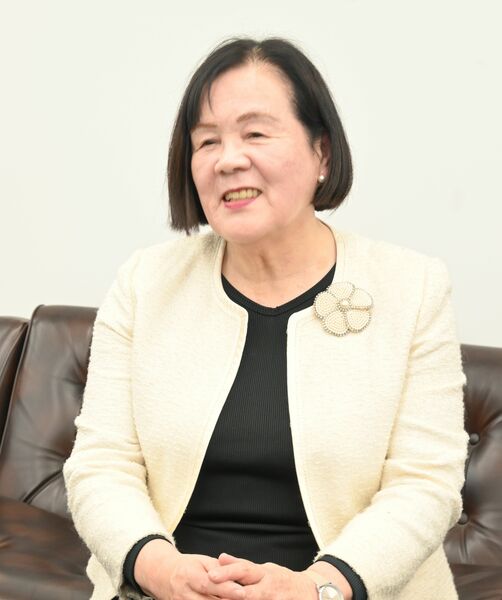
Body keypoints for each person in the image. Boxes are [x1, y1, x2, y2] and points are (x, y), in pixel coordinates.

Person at [63, 37, 468, 600]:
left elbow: (426, 484)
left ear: (323, 153)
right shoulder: (144, 282)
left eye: (255, 134)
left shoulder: (413, 287)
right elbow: (100, 465)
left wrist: (319, 588)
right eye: (207, 141)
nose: (228, 159)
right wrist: (163, 572)